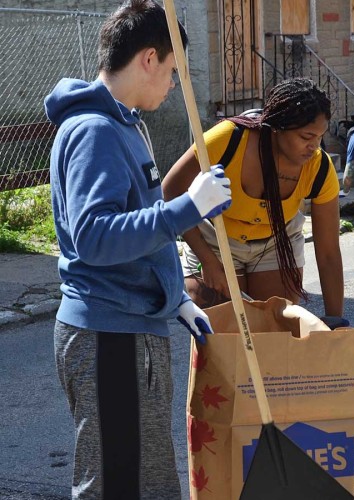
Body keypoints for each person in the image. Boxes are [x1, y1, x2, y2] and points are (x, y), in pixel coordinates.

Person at [44, 1, 232, 498]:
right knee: (116, 485)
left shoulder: (123, 124)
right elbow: (96, 236)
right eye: (172, 70)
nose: (174, 85)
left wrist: (176, 297)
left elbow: (138, 230)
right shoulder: (94, 131)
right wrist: (186, 208)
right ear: (149, 58)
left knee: (145, 480)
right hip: (109, 334)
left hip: (130, 328)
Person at [162, 78, 344, 319]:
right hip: (215, 240)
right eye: (306, 137)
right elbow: (170, 192)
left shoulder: (319, 168)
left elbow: (329, 252)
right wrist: (208, 260)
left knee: (273, 328)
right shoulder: (228, 139)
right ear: (278, 127)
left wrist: (335, 321)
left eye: (319, 137)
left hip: (276, 242)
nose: (314, 147)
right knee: (222, 334)